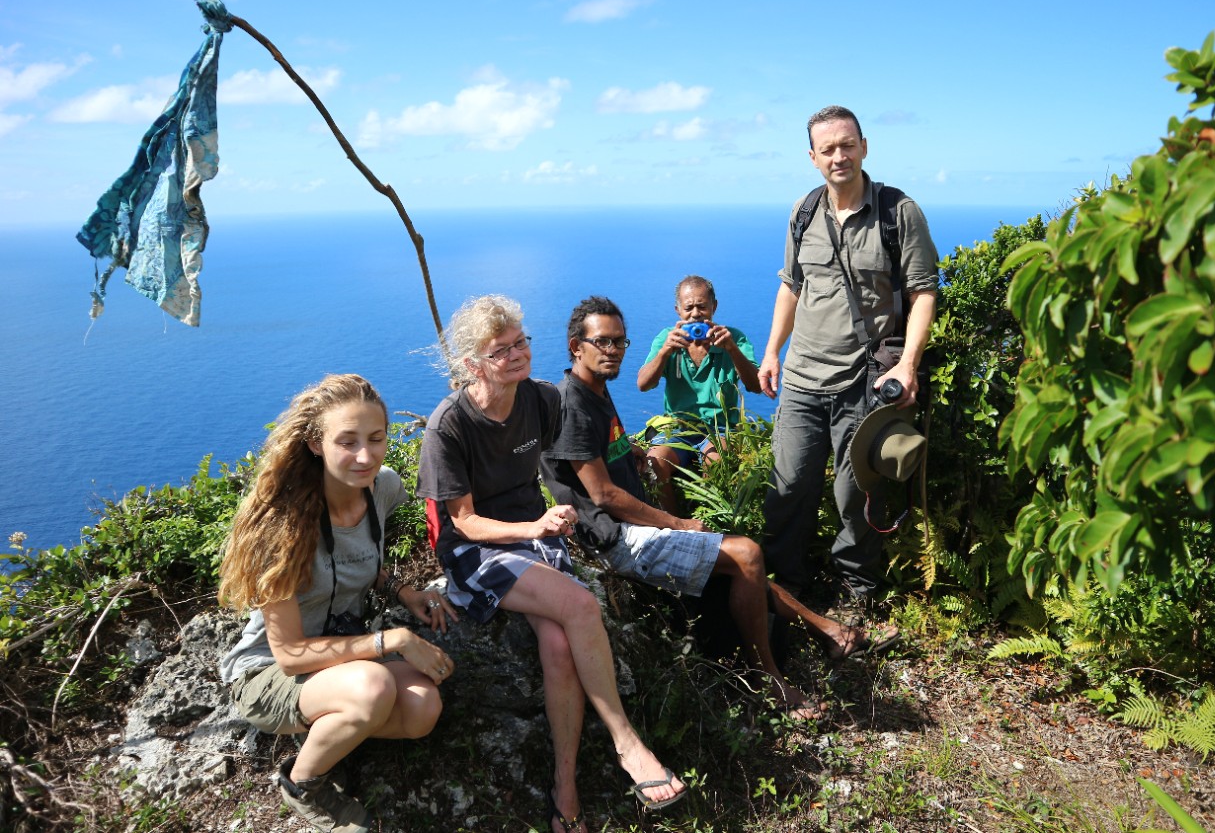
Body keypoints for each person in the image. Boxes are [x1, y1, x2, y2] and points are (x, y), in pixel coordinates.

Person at [542, 297, 889, 722]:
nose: (612, 350)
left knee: (740, 560)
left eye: (619, 341)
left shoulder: (594, 390)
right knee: (746, 554)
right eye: (602, 342)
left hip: (631, 526)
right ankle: (770, 682)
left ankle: (830, 632)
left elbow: (597, 455)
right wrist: (678, 523)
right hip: (614, 539)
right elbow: (603, 497)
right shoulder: (574, 403)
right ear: (577, 346)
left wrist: (627, 449)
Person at [416, 295, 686, 833]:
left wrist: (601, 489)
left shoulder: (541, 399)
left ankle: (565, 790)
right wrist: (534, 527)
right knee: (580, 605)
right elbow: (463, 521)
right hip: (478, 551)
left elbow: (573, 459)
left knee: (559, 642)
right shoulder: (450, 425)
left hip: (531, 540)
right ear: (473, 364)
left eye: (521, 343)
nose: (517, 355)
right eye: (501, 350)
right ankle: (627, 745)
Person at [219, 374, 455, 833]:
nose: (365, 456)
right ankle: (303, 781)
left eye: (376, 439)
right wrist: (396, 640)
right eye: (347, 442)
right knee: (372, 688)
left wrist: (405, 594)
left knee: (424, 708)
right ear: (314, 442)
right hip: (268, 673)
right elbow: (289, 655)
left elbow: (358, 564)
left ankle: (336, 724)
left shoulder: (381, 488)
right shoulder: (283, 527)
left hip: (341, 656)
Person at [758, 105, 939, 604]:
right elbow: (791, 286)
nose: (839, 156)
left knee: (854, 495)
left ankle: (857, 592)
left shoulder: (898, 213)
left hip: (862, 379)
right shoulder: (803, 212)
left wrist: (908, 364)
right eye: (828, 148)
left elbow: (923, 291)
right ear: (812, 157)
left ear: (864, 147)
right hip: (801, 379)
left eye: (847, 144)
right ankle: (785, 590)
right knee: (788, 487)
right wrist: (772, 352)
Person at [636, 275, 761, 513]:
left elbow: (755, 385)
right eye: (688, 308)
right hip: (678, 428)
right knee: (654, 464)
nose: (696, 314)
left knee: (715, 462)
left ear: (714, 306)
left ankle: (710, 524)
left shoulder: (733, 337)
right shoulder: (667, 338)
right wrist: (665, 352)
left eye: (702, 306)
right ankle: (675, 526)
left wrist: (732, 350)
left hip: (720, 428)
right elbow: (643, 384)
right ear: (678, 311)